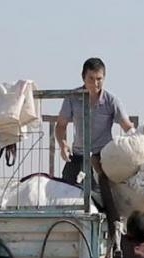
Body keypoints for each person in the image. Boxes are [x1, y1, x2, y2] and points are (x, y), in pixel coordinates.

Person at [55, 58, 134, 231]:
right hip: (77, 154)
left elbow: (127, 125)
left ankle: (107, 232)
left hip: (102, 156)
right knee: (65, 189)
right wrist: (62, 144)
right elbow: (60, 125)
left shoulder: (112, 101)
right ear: (83, 78)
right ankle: (65, 228)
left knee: (103, 196)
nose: (95, 83)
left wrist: (138, 140)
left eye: (99, 79)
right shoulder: (73, 98)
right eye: (91, 78)